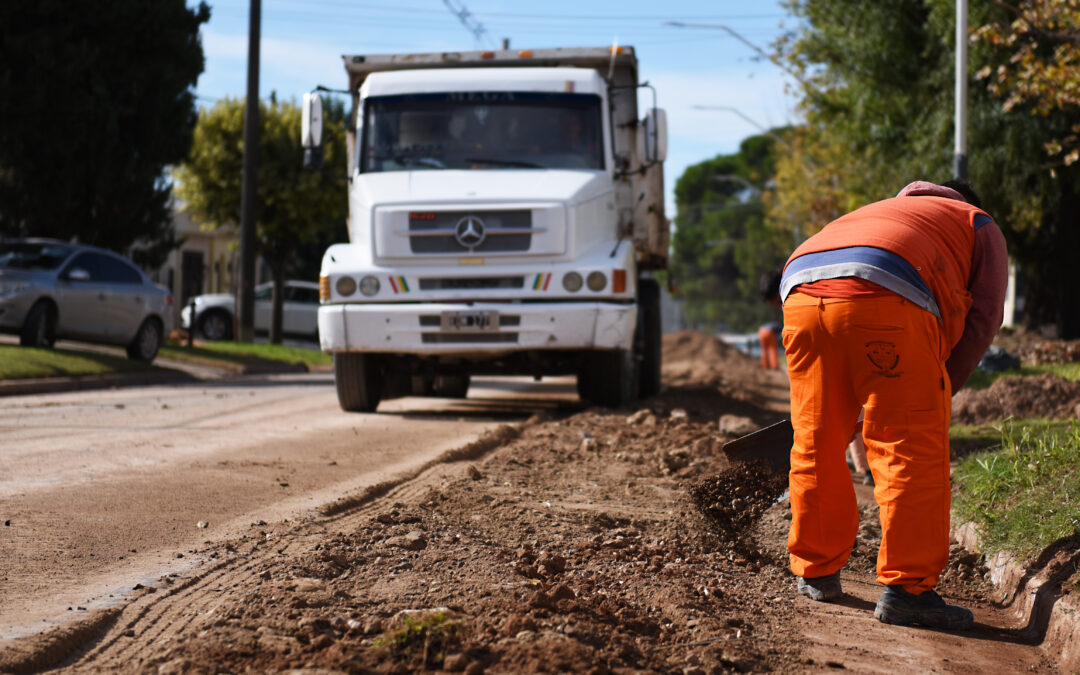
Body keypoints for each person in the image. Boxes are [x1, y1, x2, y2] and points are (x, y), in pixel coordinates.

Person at [779, 180, 1008, 630]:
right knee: (908, 443)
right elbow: (984, 319)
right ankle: (909, 591)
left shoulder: (879, 210)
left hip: (802, 292)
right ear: (966, 203)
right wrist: (939, 390)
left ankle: (816, 570)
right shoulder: (978, 223)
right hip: (884, 292)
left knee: (816, 437)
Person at [757, 269, 783, 370]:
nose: (779, 308)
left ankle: (765, 365)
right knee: (772, 349)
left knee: (764, 349)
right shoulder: (780, 326)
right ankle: (774, 366)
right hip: (768, 332)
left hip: (761, 331)